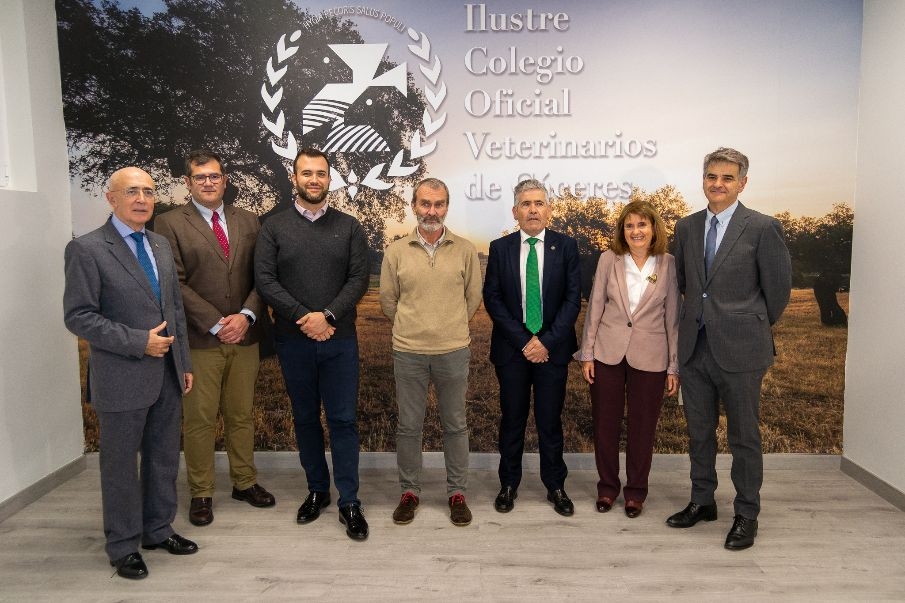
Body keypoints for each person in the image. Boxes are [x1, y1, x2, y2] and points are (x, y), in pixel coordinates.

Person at [63, 167, 198, 580]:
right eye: (132, 191)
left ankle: (157, 530)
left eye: (149, 191)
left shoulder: (158, 244)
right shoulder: (87, 249)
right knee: (120, 465)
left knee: (162, 459)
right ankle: (123, 546)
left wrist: (184, 363)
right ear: (111, 199)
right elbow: (79, 317)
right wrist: (138, 342)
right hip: (122, 375)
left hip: (167, 375)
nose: (142, 199)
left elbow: (174, 311)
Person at [666, 147, 791, 550]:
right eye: (711, 176)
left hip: (742, 350)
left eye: (727, 178)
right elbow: (686, 282)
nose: (717, 184)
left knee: (743, 437)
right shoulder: (685, 228)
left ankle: (746, 513)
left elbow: (777, 292)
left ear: (742, 182)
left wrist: (746, 324)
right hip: (695, 349)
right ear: (703, 179)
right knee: (699, 433)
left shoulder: (762, 227)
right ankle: (702, 502)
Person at [154, 150, 274, 528]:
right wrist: (216, 322)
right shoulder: (168, 223)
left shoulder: (250, 221)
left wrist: (246, 315)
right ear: (187, 182)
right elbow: (173, 282)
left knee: (241, 416)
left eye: (215, 176)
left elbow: (263, 277)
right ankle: (202, 492)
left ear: (225, 180)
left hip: (245, 337)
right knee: (200, 420)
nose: (209, 182)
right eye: (200, 177)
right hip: (200, 340)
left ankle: (244, 482)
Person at [254, 148, 370, 541]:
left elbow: (358, 279)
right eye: (307, 173)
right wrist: (305, 316)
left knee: (342, 420)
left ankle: (349, 501)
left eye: (321, 173)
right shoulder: (273, 227)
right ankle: (317, 491)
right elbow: (266, 281)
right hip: (293, 339)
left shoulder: (350, 226)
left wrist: (329, 317)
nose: (314, 180)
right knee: (305, 418)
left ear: (330, 178)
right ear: (295, 178)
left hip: (340, 340)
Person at [379, 178, 483, 527]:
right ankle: (410, 492)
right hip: (408, 352)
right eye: (425, 203)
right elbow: (388, 301)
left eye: (438, 204)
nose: (431, 211)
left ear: (446, 207)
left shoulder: (465, 250)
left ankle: (456, 493)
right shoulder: (395, 252)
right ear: (414, 206)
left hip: (453, 351)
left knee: (455, 424)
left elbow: (472, 299)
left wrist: (448, 326)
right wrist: (414, 327)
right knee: (409, 426)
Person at [483, 179, 581, 516]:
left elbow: (572, 300)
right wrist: (526, 341)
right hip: (513, 351)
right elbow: (492, 299)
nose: (533, 209)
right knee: (512, 420)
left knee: (549, 421)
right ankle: (508, 485)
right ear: (515, 211)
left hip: (552, 351)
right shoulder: (500, 248)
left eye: (539, 203)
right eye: (526, 204)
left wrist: (546, 342)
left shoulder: (566, 247)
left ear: (549, 210)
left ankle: (556, 485)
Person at [575, 201, 680, 518]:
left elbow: (673, 316)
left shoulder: (668, 264)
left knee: (642, 428)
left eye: (642, 225)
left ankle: (635, 492)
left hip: (651, 356)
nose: (636, 231)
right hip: (607, 352)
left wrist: (674, 365)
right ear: (623, 230)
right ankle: (607, 488)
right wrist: (587, 353)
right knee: (605, 425)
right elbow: (594, 307)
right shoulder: (609, 260)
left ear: (653, 229)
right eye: (629, 225)